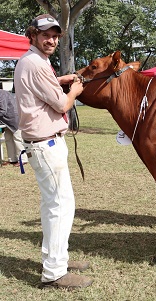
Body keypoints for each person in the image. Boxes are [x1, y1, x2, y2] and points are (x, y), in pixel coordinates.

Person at [13, 14, 93, 290]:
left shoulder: (33, 61)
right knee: (60, 207)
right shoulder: (35, 63)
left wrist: (61, 78)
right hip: (45, 143)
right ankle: (55, 273)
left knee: (54, 206)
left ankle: (57, 259)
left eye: (56, 36)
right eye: (46, 34)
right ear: (33, 35)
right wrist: (76, 89)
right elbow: (61, 105)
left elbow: (41, 88)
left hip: (43, 144)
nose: (52, 40)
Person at [0, 89, 27, 166]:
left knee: (18, 139)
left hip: (14, 118)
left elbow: (2, 110)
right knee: (8, 139)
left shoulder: (1, 94)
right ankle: (12, 159)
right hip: (6, 121)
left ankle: (23, 159)